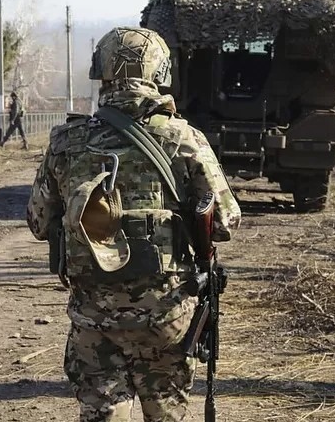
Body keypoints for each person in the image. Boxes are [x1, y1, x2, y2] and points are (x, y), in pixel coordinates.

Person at [26, 27, 241, 422]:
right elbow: (226, 221)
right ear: (161, 74)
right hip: (167, 317)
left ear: (101, 73)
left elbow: (39, 223)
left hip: (94, 318)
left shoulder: (66, 142)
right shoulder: (185, 139)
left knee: (103, 414)